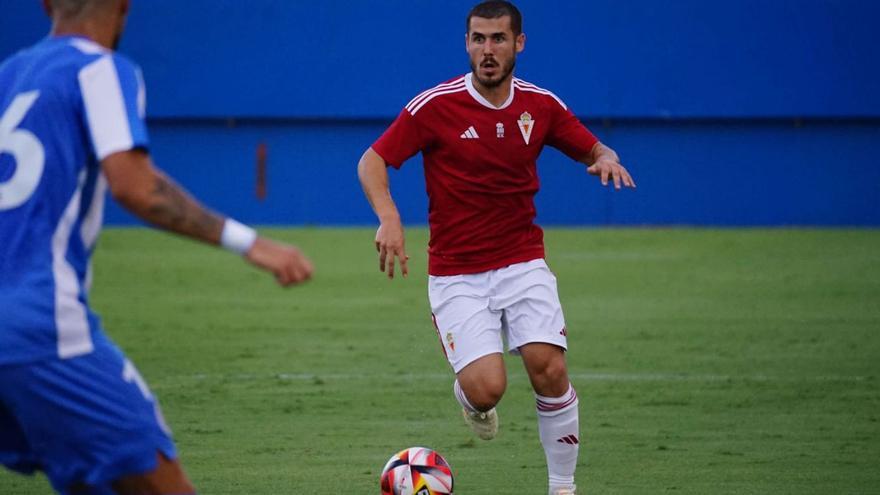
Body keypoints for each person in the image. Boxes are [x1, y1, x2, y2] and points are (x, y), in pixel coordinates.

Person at [0, 0, 314, 493]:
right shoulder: (99, 69)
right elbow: (136, 186)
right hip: (41, 327)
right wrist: (250, 243)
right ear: (125, 6)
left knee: (93, 481)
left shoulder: (9, 73)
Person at [358, 1, 635, 494]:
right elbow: (373, 160)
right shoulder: (434, 106)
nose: (488, 50)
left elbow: (594, 147)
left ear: (519, 43)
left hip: (522, 260)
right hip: (456, 272)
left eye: (498, 39)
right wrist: (389, 218)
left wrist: (606, 157)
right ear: (466, 44)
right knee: (488, 389)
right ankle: (471, 399)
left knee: (548, 368)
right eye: (479, 39)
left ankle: (562, 487)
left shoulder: (540, 105)